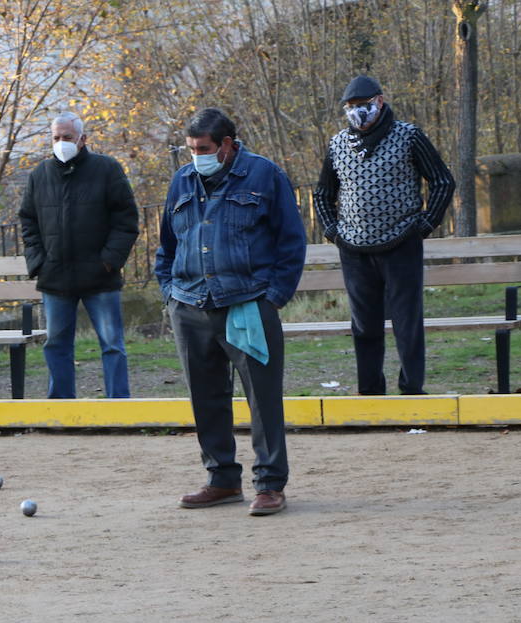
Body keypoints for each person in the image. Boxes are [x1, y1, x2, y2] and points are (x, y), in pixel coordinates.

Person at [154, 108, 306, 516]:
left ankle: (270, 484)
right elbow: (167, 244)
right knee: (206, 399)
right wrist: (170, 293)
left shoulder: (265, 175)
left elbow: (291, 241)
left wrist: (272, 297)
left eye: (203, 148)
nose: (195, 156)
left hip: (248, 304)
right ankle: (222, 479)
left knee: (263, 399)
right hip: (189, 305)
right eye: (190, 149)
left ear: (227, 145)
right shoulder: (183, 180)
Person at [313, 75, 453, 396]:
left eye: (362, 106)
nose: (356, 113)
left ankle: (412, 390)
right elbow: (323, 194)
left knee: (407, 323)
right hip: (354, 250)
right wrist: (332, 231)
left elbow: (443, 181)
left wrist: (426, 223)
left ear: (379, 101)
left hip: (401, 243)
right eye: (350, 108)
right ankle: (370, 393)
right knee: (364, 326)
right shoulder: (337, 145)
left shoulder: (408, 136)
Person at [18, 112, 140, 398]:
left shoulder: (107, 169)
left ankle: (118, 406)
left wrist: (109, 261)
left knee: (112, 344)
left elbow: (126, 220)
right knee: (56, 344)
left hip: (100, 277)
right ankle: (61, 407)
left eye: (68, 138)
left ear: (83, 139)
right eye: (56, 138)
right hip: (55, 277)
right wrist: (38, 263)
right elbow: (28, 221)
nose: (61, 143)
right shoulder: (39, 175)